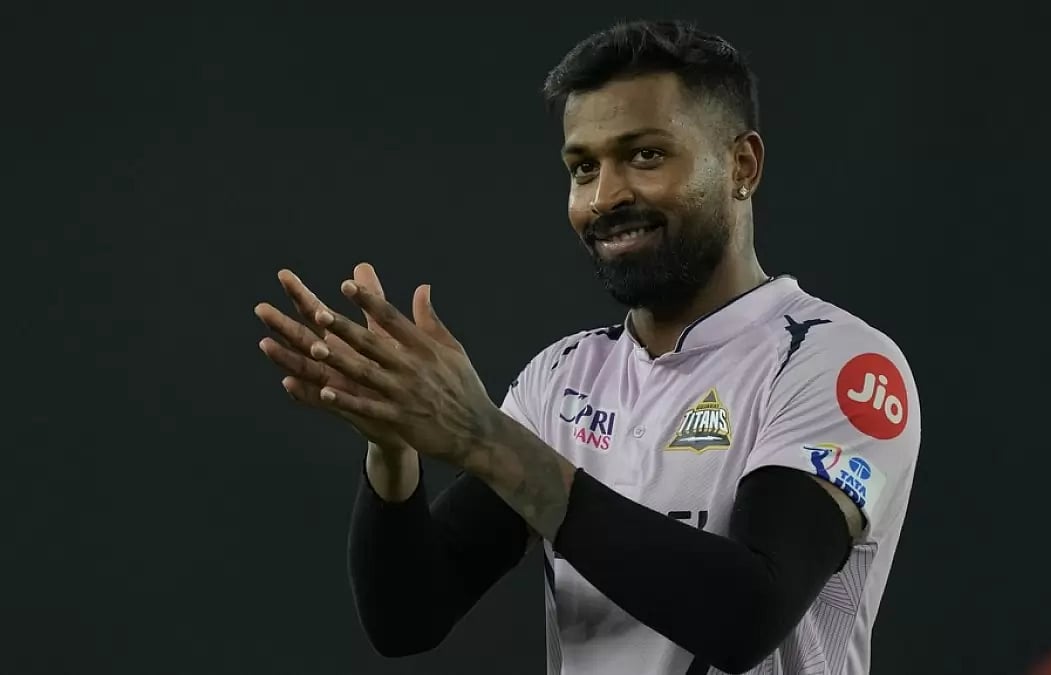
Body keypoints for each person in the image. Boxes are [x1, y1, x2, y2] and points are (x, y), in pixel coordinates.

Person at [254, 19, 921, 675]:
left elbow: (746, 613)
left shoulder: (837, 364)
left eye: (646, 155)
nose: (605, 196)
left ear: (741, 165)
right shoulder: (561, 380)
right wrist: (393, 445)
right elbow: (410, 618)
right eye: (582, 167)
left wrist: (487, 438)